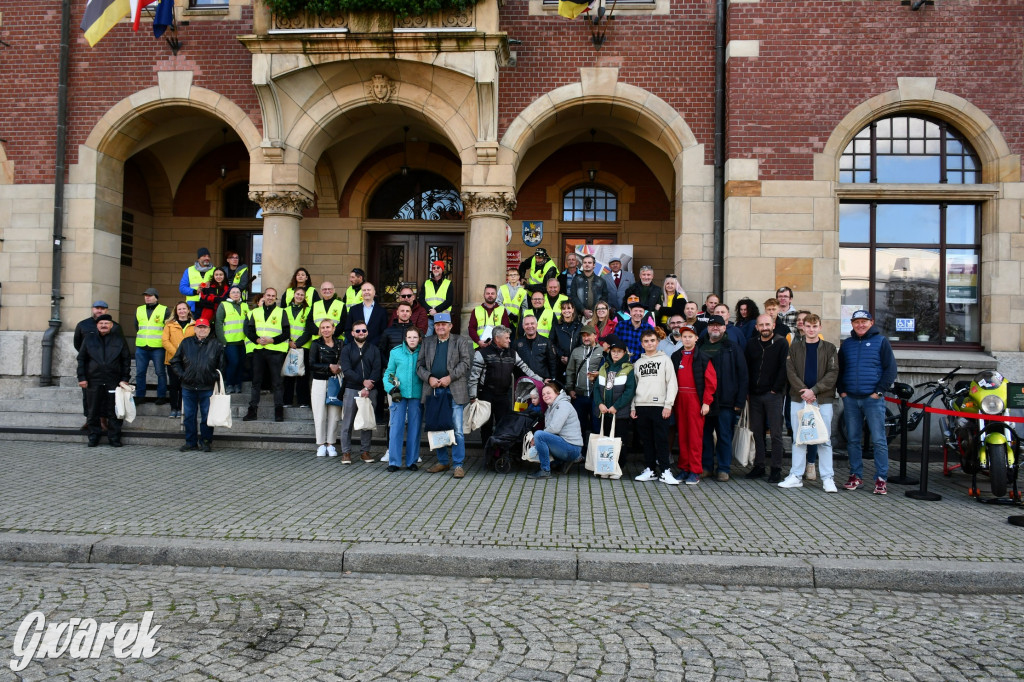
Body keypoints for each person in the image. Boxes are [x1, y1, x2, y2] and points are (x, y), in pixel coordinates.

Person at [838, 309, 898, 495]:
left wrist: (879, 391)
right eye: (857, 322)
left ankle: (881, 479)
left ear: (871, 322)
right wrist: (842, 391)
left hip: (872, 399)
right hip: (851, 399)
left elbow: (890, 369)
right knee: (853, 439)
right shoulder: (846, 345)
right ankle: (856, 475)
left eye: (864, 321)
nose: (860, 325)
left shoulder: (881, 342)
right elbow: (839, 369)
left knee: (879, 440)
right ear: (852, 324)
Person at [779, 314, 839, 493]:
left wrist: (815, 390)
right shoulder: (795, 348)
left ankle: (828, 478)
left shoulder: (829, 348)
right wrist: (805, 391)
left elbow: (833, 372)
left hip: (823, 399)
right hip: (799, 399)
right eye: (808, 326)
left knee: (824, 439)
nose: (811, 330)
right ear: (802, 328)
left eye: (815, 326)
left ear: (820, 328)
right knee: (799, 438)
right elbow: (791, 372)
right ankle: (796, 476)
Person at [417, 312, 474, 479]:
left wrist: (450, 377)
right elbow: (419, 365)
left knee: (457, 430)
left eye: (444, 324)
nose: (440, 327)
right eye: (437, 325)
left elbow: (465, 363)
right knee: (437, 427)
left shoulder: (460, 341)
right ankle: (443, 461)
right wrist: (429, 377)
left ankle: (458, 465)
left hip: (454, 389)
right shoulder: (427, 342)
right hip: (433, 389)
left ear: (450, 326)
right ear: (434, 327)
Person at [469, 325, 540, 448]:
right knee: (486, 427)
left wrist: (542, 381)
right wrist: (473, 396)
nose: (509, 340)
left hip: (503, 396)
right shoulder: (482, 353)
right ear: (497, 338)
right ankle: (488, 455)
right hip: (486, 395)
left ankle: (499, 455)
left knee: (504, 425)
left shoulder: (512, 353)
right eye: (507, 338)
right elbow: (473, 377)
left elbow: (526, 369)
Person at [697, 314, 748, 481]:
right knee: (705, 436)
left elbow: (743, 375)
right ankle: (706, 467)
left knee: (724, 436)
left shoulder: (732, 348)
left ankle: (724, 468)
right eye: (712, 325)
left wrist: (739, 401)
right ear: (708, 328)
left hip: (726, 401)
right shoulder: (699, 346)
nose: (715, 328)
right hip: (703, 401)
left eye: (719, 325)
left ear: (725, 327)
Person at [631, 329, 681, 485]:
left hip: (660, 406)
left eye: (652, 340)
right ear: (642, 344)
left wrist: (668, 405)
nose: (649, 343)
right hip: (641, 406)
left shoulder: (665, 360)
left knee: (661, 440)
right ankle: (650, 470)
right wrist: (633, 407)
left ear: (657, 342)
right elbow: (634, 386)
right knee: (647, 440)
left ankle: (665, 471)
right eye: (646, 341)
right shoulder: (638, 363)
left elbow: (672, 384)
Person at [745, 314, 790, 483]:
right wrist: (748, 390)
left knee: (776, 434)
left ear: (773, 325)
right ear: (756, 327)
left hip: (773, 395)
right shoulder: (751, 344)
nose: (764, 327)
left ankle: (776, 468)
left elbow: (783, 368)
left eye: (767, 324)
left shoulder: (781, 343)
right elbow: (747, 368)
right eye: (761, 325)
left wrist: (775, 389)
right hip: (755, 395)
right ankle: (759, 465)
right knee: (757, 432)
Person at [169, 318, 225, 453]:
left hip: (207, 387)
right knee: (189, 416)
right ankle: (190, 442)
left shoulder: (216, 344)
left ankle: (206, 442)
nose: (202, 330)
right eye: (199, 327)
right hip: (188, 386)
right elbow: (175, 361)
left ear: (209, 330)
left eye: (205, 327)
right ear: (194, 329)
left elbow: (222, 365)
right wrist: (182, 375)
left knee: (206, 416)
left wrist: (213, 377)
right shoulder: (186, 342)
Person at [77, 314, 132, 447]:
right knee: (93, 411)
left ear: (111, 325)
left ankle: (114, 438)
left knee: (114, 411)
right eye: (101, 323)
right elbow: (81, 359)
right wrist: (82, 377)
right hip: (93, 380)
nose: (103, 325)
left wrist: (125, 378)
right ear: (97, 325)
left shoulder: (119, 339)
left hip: (114, 381)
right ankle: (94, 437)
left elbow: (126, 360)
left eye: (106, 323)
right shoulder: (89, 339)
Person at [671, 325, 717, 485]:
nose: (687, 339)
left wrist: (706, 402)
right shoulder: (676, 356)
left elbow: (710, 382)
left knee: (695, 437)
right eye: (684, 336)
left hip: (695, 400)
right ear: (681, 338)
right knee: (682, 436)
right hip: (679, 400)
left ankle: (695, 471)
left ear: (696, 338)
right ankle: (684, 468)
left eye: (690, 336)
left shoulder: (703, 357)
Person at [242, 287, 290, 422]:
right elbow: (249, 331)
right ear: (264, 296)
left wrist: (272, 340)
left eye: (273, 296)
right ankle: (252, 411)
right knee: (256, 382)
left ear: (276, 298)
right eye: (268, 295)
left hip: (276, 351)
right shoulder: (255, 312)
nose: (270, 297)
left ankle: (279, 412)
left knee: (277, 383)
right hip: (259, 350)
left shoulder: (282, 312)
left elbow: (286, 333)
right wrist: (256, 339)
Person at [74, 300, 124, 429]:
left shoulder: (116, 327)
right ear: (92, 309)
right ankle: (89, 419)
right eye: (97, 308)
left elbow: (121, 348)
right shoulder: (83, 325)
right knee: (88, 397)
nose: (99, 310)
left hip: (109, 371)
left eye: (102, 308)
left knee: (106, 398)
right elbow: (78, 344)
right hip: (91, 369)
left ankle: (103, 421)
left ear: (107, 310)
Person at [338, 320, 382, 463]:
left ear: (367, 332)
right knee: (347, 422)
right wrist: (363, 382)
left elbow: (377, 370)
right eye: (358, 331)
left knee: (367, 421)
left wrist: (367, 387)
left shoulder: (374, 349)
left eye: (363, 330)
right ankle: (346, 452)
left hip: (370, 391)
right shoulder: (346, 349)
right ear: (352, 333)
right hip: (351, 389)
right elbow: (346, 370)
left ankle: (365, 451)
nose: (361, 333)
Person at [593, 334, 636, 474]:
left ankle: (618, 466)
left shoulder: (628, 368)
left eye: (619, 351)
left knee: (619, 441)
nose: (616, 354)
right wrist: (600, 404)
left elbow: (629, 391)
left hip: (619, 413)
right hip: (604, 412)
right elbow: (596, 388)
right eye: (613, 351)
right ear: (609, 352)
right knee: (605, 440)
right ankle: (605, 466)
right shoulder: (604, 367)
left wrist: (615, 407)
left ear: (624, 353)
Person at [383, 326, 424, 472]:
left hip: (417, 395)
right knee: (396, 427)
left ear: (419, 338)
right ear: (405, 338)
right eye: (409, 337)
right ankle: (394, 461)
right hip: (398, 395)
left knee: (415, 428)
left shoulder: (423, 352)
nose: (412, 340)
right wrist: (391, 388)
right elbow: (389, 373)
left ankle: (411, 461)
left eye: (415, 337)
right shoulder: (396, 352)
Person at [528, 381, 584, 479]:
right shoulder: (552, 407)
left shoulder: (563, 405)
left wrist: (536, 439)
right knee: (541, 436)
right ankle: (558, 463)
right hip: (567, 445)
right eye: (543, 394)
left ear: (557, 393)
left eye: (548, 393)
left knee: (539, 435)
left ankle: (545, 470)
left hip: (572, 448)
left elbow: (554, 428)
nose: (545, 396)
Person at [309, 319, 343, 458]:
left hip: (335, 381)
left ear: (334, 329)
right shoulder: (315, 344)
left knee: (334, 415)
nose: (326, 330)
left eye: (328, 327)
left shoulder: (340, 343)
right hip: (319, 381)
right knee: (319, 414)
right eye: (323, 327)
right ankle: (321, 444)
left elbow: (344, 360)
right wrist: (329, 366)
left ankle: (330, 444)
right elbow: (311, 364)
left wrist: (339, 367)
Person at [566, 324, 603, 446]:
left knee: (596, 426)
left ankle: (594, 454)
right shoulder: (576, 351)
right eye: (583, 336)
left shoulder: (602, 351)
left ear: (595, 336)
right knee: (579, 426)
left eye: (588, 335)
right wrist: (570, 389)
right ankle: (580, 453)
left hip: (596, 396)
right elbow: (570, 371)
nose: (586, 338)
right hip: (579, 395)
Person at [134, 287, 169, 405]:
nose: (147, 297)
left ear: (156, 297)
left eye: (150, 295)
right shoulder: (139, 309)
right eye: (145, 295)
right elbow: (136, 326)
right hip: (141, 346)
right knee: (140, 373)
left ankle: (161, 396)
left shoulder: (164, 310)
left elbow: (167, 329)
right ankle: (140, 395)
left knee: (160, 372)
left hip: (158, 347)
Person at [162, 301, 195, 419]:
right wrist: (177, 354)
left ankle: (181, 408)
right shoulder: (169, 325)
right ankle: (173, 408)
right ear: (176, 311)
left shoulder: (194, 325)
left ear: (188, 310)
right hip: (173, 360)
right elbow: (165, 341)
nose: (182, 311)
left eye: (184, 309)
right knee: (174, 385)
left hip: (188, 361)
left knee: (184, 385)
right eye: (179, 309)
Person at [215, 285, 249, 394]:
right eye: (233, 292)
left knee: (241, 363)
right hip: (229, 341)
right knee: (233, 362)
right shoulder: (223, 305)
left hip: (243, 341)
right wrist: (222, 340)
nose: (236, 294)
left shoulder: (245, 306)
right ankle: (229, 384)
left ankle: (238, 385)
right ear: (229, 294)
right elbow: (218, 323)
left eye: (238, 292)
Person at [282, 286, 312, 409]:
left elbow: (309, 329)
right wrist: (289, 342)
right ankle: (287, 401)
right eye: (297, 294)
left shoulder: (309, 310)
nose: (299, 296)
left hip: (303, 346)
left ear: (305, 297)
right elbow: (282, 328)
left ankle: (303, 401)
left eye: (302, 295)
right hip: (287, 346)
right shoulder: (285, 310)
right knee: (288, 374)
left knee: (302, 375)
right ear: (294, 295)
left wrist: (298, 343)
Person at [550, 300, 583, 384]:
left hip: (574, 361)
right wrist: (561, 355)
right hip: (559, 362)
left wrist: (570, 358)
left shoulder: (579, 326)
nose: (566, 311)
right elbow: (551, 342)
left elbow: (581, 344)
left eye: (569, 308)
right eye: (563, 308)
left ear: (573, 310)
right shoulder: (556, 325)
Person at [468, 284, 511, 349]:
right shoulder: (476, 310)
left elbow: (505, 329)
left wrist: (497, 342)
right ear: (484, 295)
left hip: (497, 346)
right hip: (480, 346)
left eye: (492, 293)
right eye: (488, 293)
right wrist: (478, 341)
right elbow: (471, 328)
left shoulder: (502, 310)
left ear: (496, 295)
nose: (490, 295)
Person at [514, 313, 555, 380]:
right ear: (523, 326)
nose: (530, 326)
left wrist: (552, 379)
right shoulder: (517, 343)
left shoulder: (546, 342)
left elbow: (552, 363)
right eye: (527, 324)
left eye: (532, 323)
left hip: (542, 381)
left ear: (536, 325)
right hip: (523, 381)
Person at [345, 282, 387, 347]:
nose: (366, 292)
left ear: (374, 292)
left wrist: (371, 345)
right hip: (356, 348)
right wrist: (357, 343)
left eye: (369, 290)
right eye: (364, 290)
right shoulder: (353, 309)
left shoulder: (382, 311)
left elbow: (383, 332)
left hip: (374, 348)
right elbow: (348, 329)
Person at [569, 254, 609, 320]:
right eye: (585, 263)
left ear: (594, 265)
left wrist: (594, 310)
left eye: (589, 263)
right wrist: (583, 310)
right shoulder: (576, 279)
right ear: (582, 265)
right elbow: (573, 296)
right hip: (579, 316)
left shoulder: (601, 281)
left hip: (597, 316)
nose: (587, 264)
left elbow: (604, 298)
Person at [420, 260, 453, 335]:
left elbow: (449, 300)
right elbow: (421, 299)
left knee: (443, 338)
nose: (435, 269)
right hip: (429, 316)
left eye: (438, 267)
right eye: (433, 268)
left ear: (442, 269)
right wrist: (429, 310)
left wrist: (436, 310)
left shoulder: (448, 283)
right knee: (428, 339)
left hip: (443, 316)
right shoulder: (426, 283)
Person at [178, 247, 215, 314]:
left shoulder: (215, 270)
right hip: (193, 306)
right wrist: (195, 291)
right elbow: (182, 288)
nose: (207, 258)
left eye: (208, 256)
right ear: (198, 258)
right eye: (204, 256)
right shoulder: (189, 270)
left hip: (210, 304)